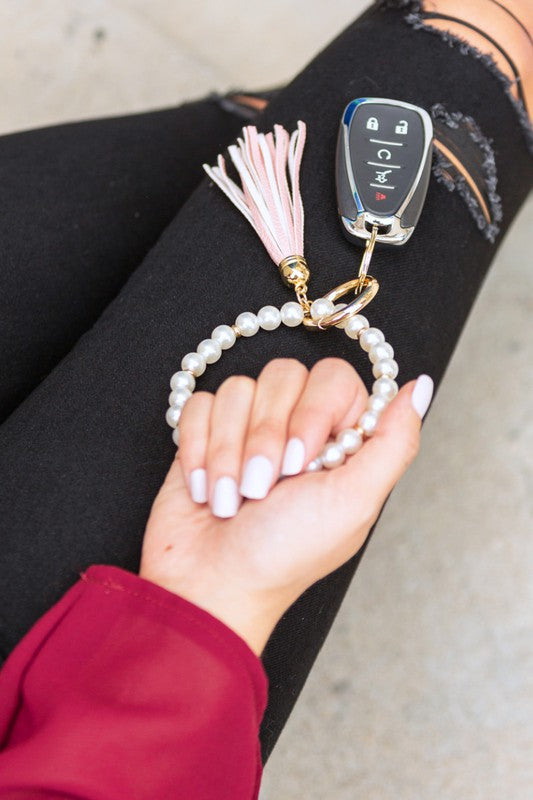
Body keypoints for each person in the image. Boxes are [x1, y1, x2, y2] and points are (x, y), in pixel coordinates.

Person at [0, 0, 531, 796]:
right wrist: (214, 604)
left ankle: (295, 108)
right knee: (473, 46)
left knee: (288, 141)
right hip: (88, 725)